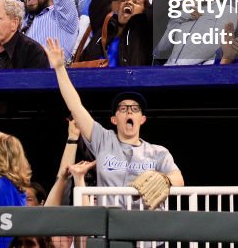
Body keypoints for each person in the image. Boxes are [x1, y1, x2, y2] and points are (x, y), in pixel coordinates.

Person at [45, 38, 185, 188]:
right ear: (114, 119)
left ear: (142, 119)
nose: (129, 111)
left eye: (135, 109)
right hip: (110, 211)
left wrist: (165, 180)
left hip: (144, 212)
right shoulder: (103, 140)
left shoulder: (157, 152)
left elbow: (179, 180)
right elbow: (76, 107)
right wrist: (60, 68)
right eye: (123, 109)